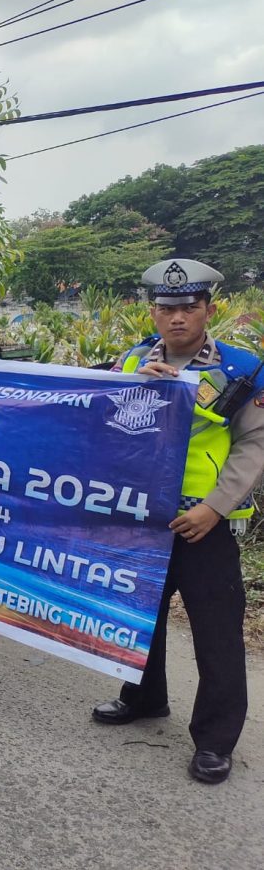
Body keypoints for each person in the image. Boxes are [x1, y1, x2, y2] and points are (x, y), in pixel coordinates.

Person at [92, 259, 264, 785]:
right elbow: (105, 430)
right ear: (152, 312)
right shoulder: (131, 361)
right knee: (139, 614)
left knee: (216, 633)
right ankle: (144, 697)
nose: (178, 318)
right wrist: (135, 390)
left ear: (210, 310)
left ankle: (214, 741)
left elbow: (254, 444)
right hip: (144, 517)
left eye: (189, 307)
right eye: (167, 308)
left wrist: (213, 506)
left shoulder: (244, 368)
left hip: (205, 522)